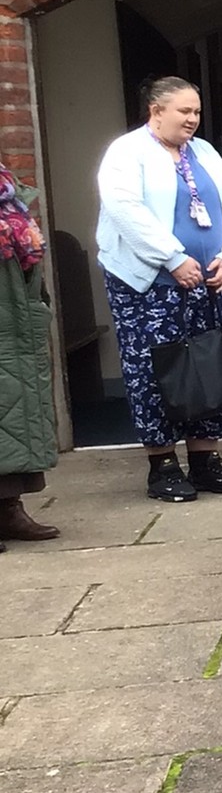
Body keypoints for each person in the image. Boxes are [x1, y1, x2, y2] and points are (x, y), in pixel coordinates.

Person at [95, 77, 222, 503]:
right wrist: (172, 258)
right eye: (184, 111)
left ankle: (205, 459)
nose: (193, 119)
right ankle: (162, 465)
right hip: (149, 285)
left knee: (210, 367)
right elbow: (125, 208)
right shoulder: (127, 152)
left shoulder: (204, 152)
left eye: (196, 111)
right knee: (154, 370)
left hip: (210, 283)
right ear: (156, 110)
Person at [0, 158, 58, 544]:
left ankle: (8, 509)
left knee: (13, 417)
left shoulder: (7, 188)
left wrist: (40, 305)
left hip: (15, 321)